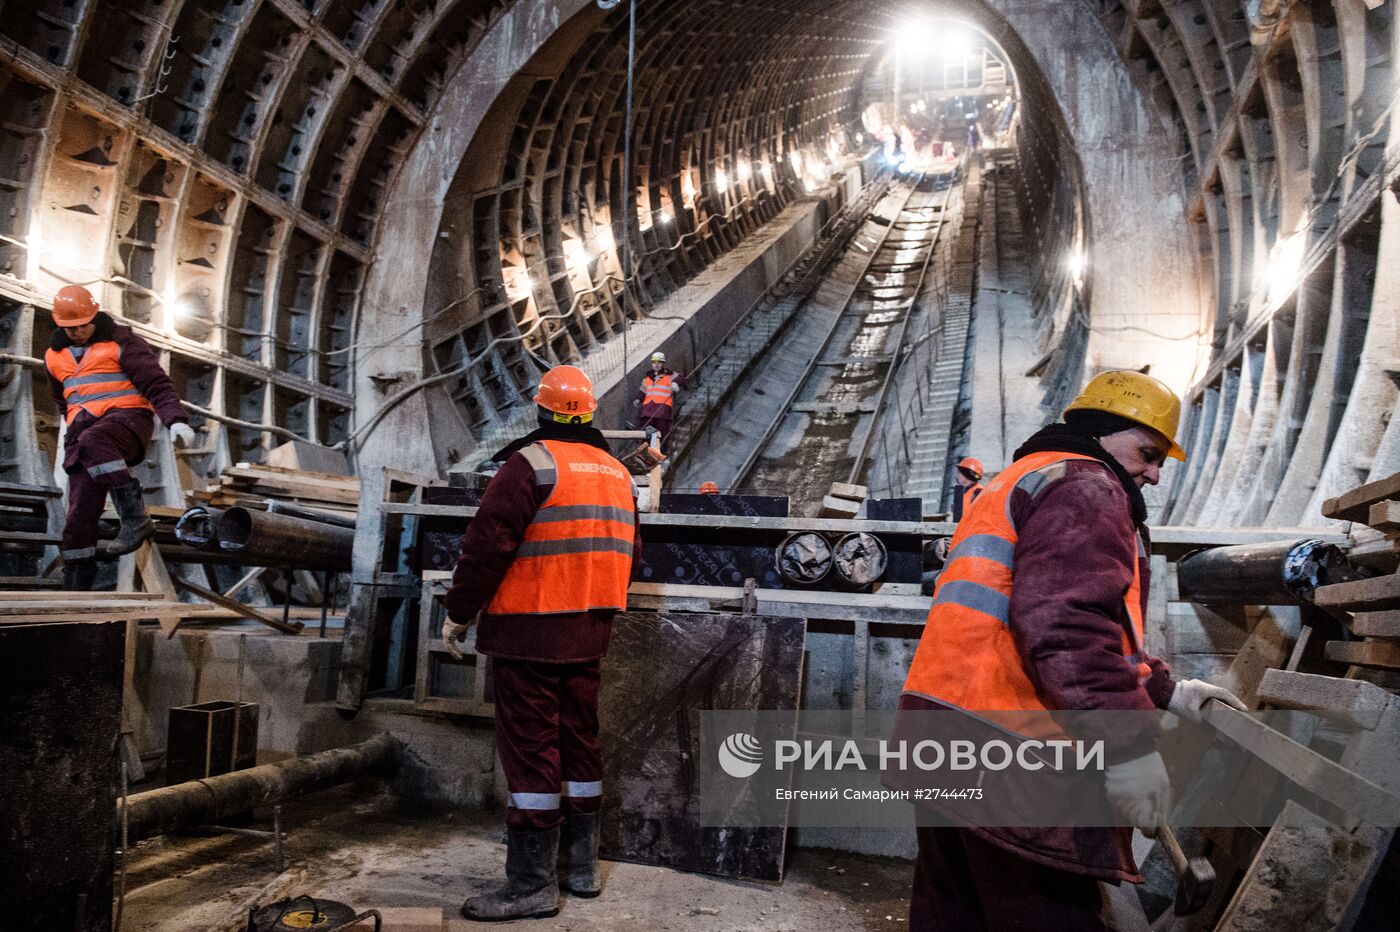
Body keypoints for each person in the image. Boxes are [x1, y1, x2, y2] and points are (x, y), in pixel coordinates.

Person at [897, 370, 1247, 930]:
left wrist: (1166, 690)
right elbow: (1065, 627)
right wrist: (1130, 748)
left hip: (944, 734)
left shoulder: (1018, 478)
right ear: (1105, 431)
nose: (1154, 474)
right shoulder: (1087, 486)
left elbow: (1066, 618)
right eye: (1148, 453)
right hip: (1015, 756)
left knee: (953, 911)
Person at [443, 364, 640, 922]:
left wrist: (458, 613)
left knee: (532, 753)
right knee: (580, 744)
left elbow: (486, 548)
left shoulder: (530, 464)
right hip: (590, 632)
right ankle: (580, 869)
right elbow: (631, 553)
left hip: (530, 630)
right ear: (590, 413)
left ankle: (530, 884)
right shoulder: (616, 473)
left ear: (541, 410)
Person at [44, 285, 195, 590]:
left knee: (94, 441)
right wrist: (73, 427)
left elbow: (156, 384)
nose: (76, 332)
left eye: (81, 325)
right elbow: (65, 401)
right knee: (79, 513)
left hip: (127, 423)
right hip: (84, 437)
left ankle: (134, 519)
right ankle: (76, 585)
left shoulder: (122, 342)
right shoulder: (53, 357)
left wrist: (175, 421)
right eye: (69, 328)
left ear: (94, 315)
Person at [633, 351, 684, 449]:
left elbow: (681, 378)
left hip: (662, 409)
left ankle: (661, 451)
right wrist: (638, 399)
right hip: (648, 409)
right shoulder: (647, 378)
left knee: (662, 431)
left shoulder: (669, 375)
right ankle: (645, 452)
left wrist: (676, 383)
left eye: (659, 362)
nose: (656, 365)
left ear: (663, 363)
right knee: (646, 431)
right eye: (654, 362)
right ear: (652, 363)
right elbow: (643, 390)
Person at [950, 456, 984, 521]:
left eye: (959, 472)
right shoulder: (964, 492)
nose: (957, 475)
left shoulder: (978, 492)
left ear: (965, 475)